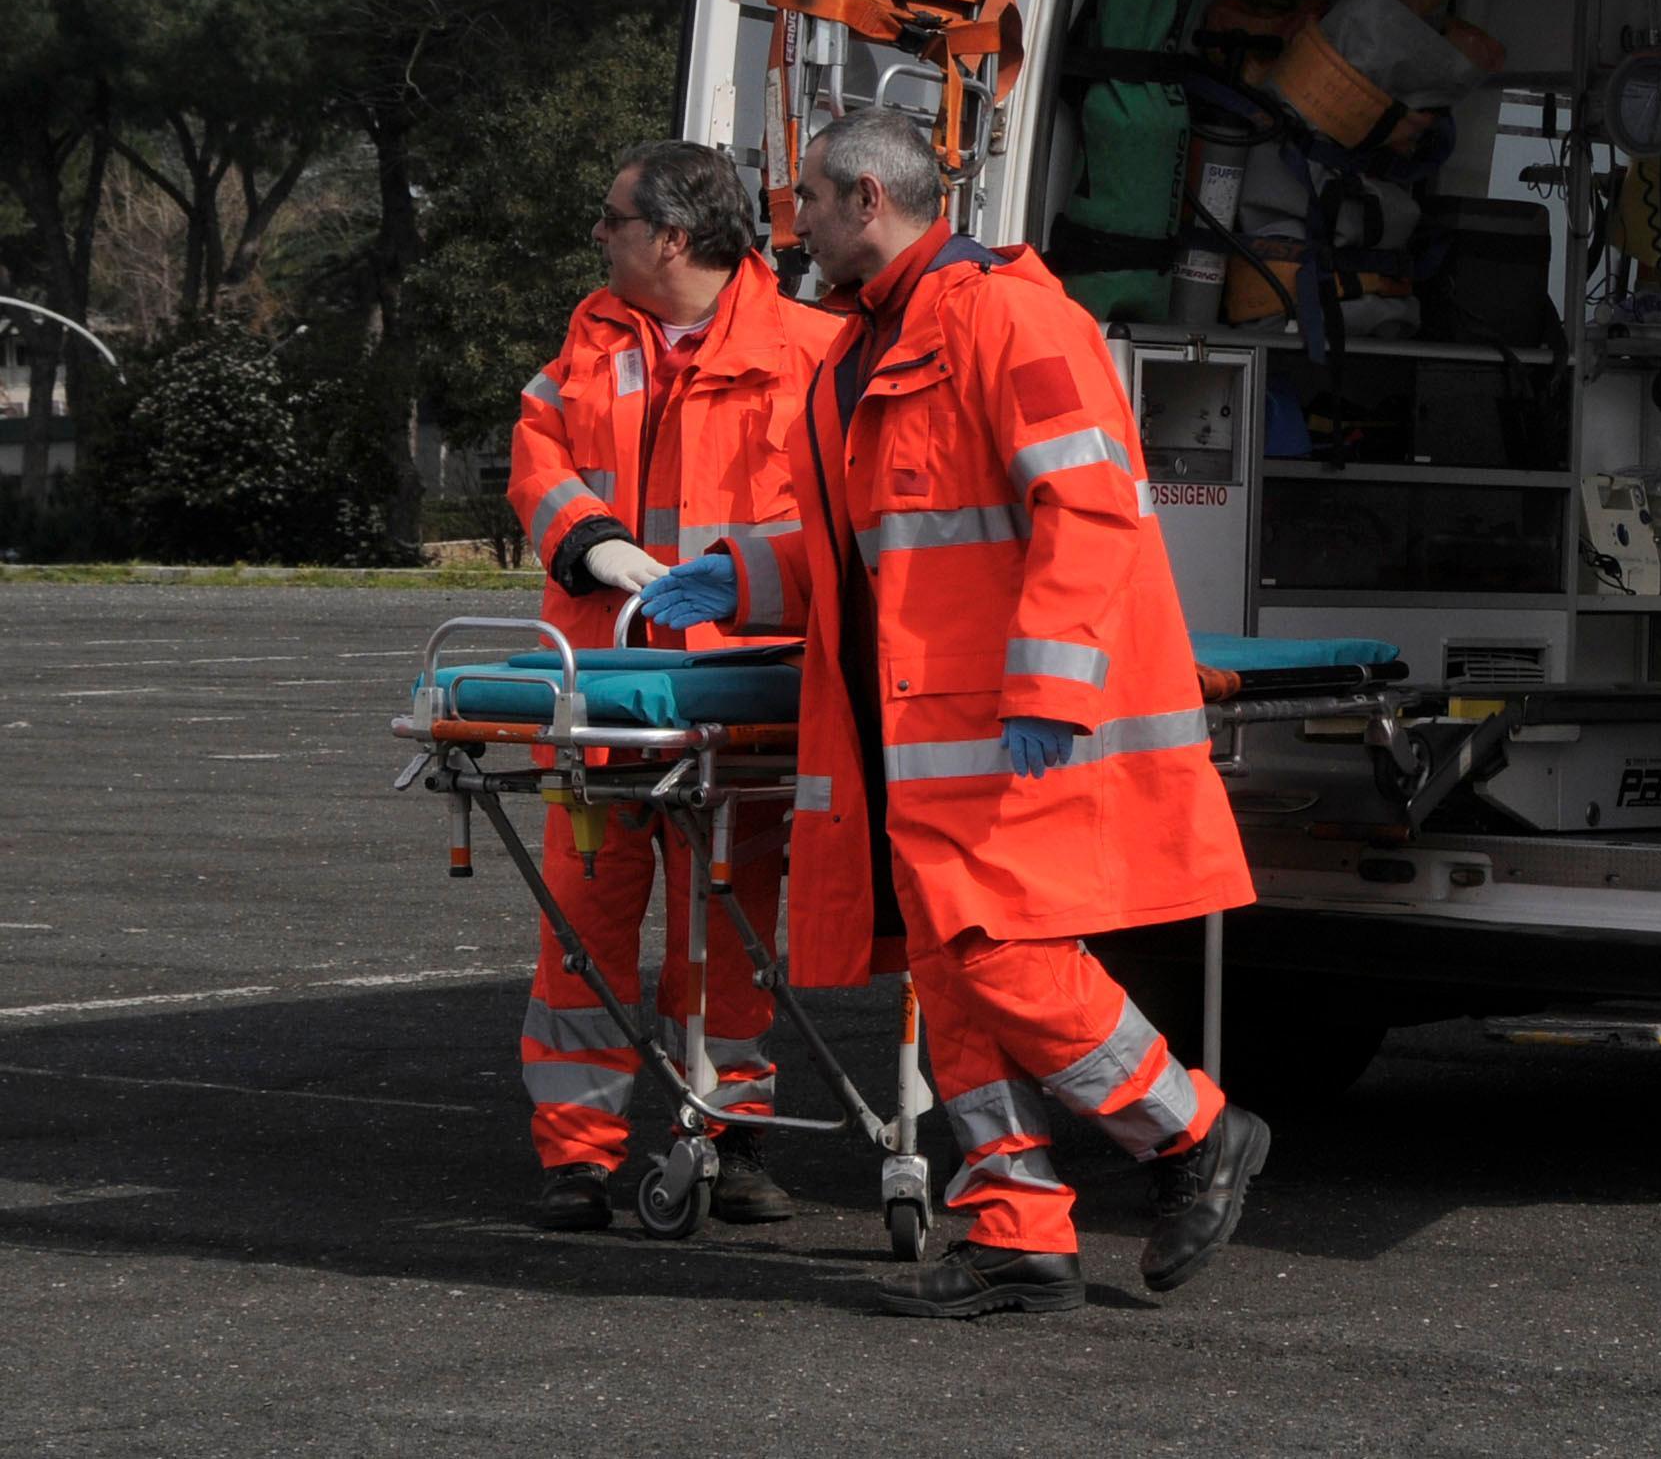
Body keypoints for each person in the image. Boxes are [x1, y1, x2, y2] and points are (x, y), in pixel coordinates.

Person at [640, 110, 1264, 1317]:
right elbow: (866, 551)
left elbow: (1086, 505)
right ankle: (1016, 1238)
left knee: (1000, 958)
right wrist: (746, 571)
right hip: (917, 742)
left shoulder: (1009, 316)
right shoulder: (862, 351)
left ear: (868, 198)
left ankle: (1193, 1133)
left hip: (1002, 729)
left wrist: (1048, 686)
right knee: (953, 977)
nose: (796, 225)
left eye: (809, 202)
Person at [504, 140, 840, 1233]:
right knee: (581, 933)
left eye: (612, 218)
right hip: (599, 690)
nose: (596, 234)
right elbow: (537, 457)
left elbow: (840, 520)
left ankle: (729, 1136)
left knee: (728, 935)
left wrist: (732, 584)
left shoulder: (813, 354)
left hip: (735, 694)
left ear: (675, 237)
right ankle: (575, 1160)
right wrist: (593, 544)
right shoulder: (594, 334)